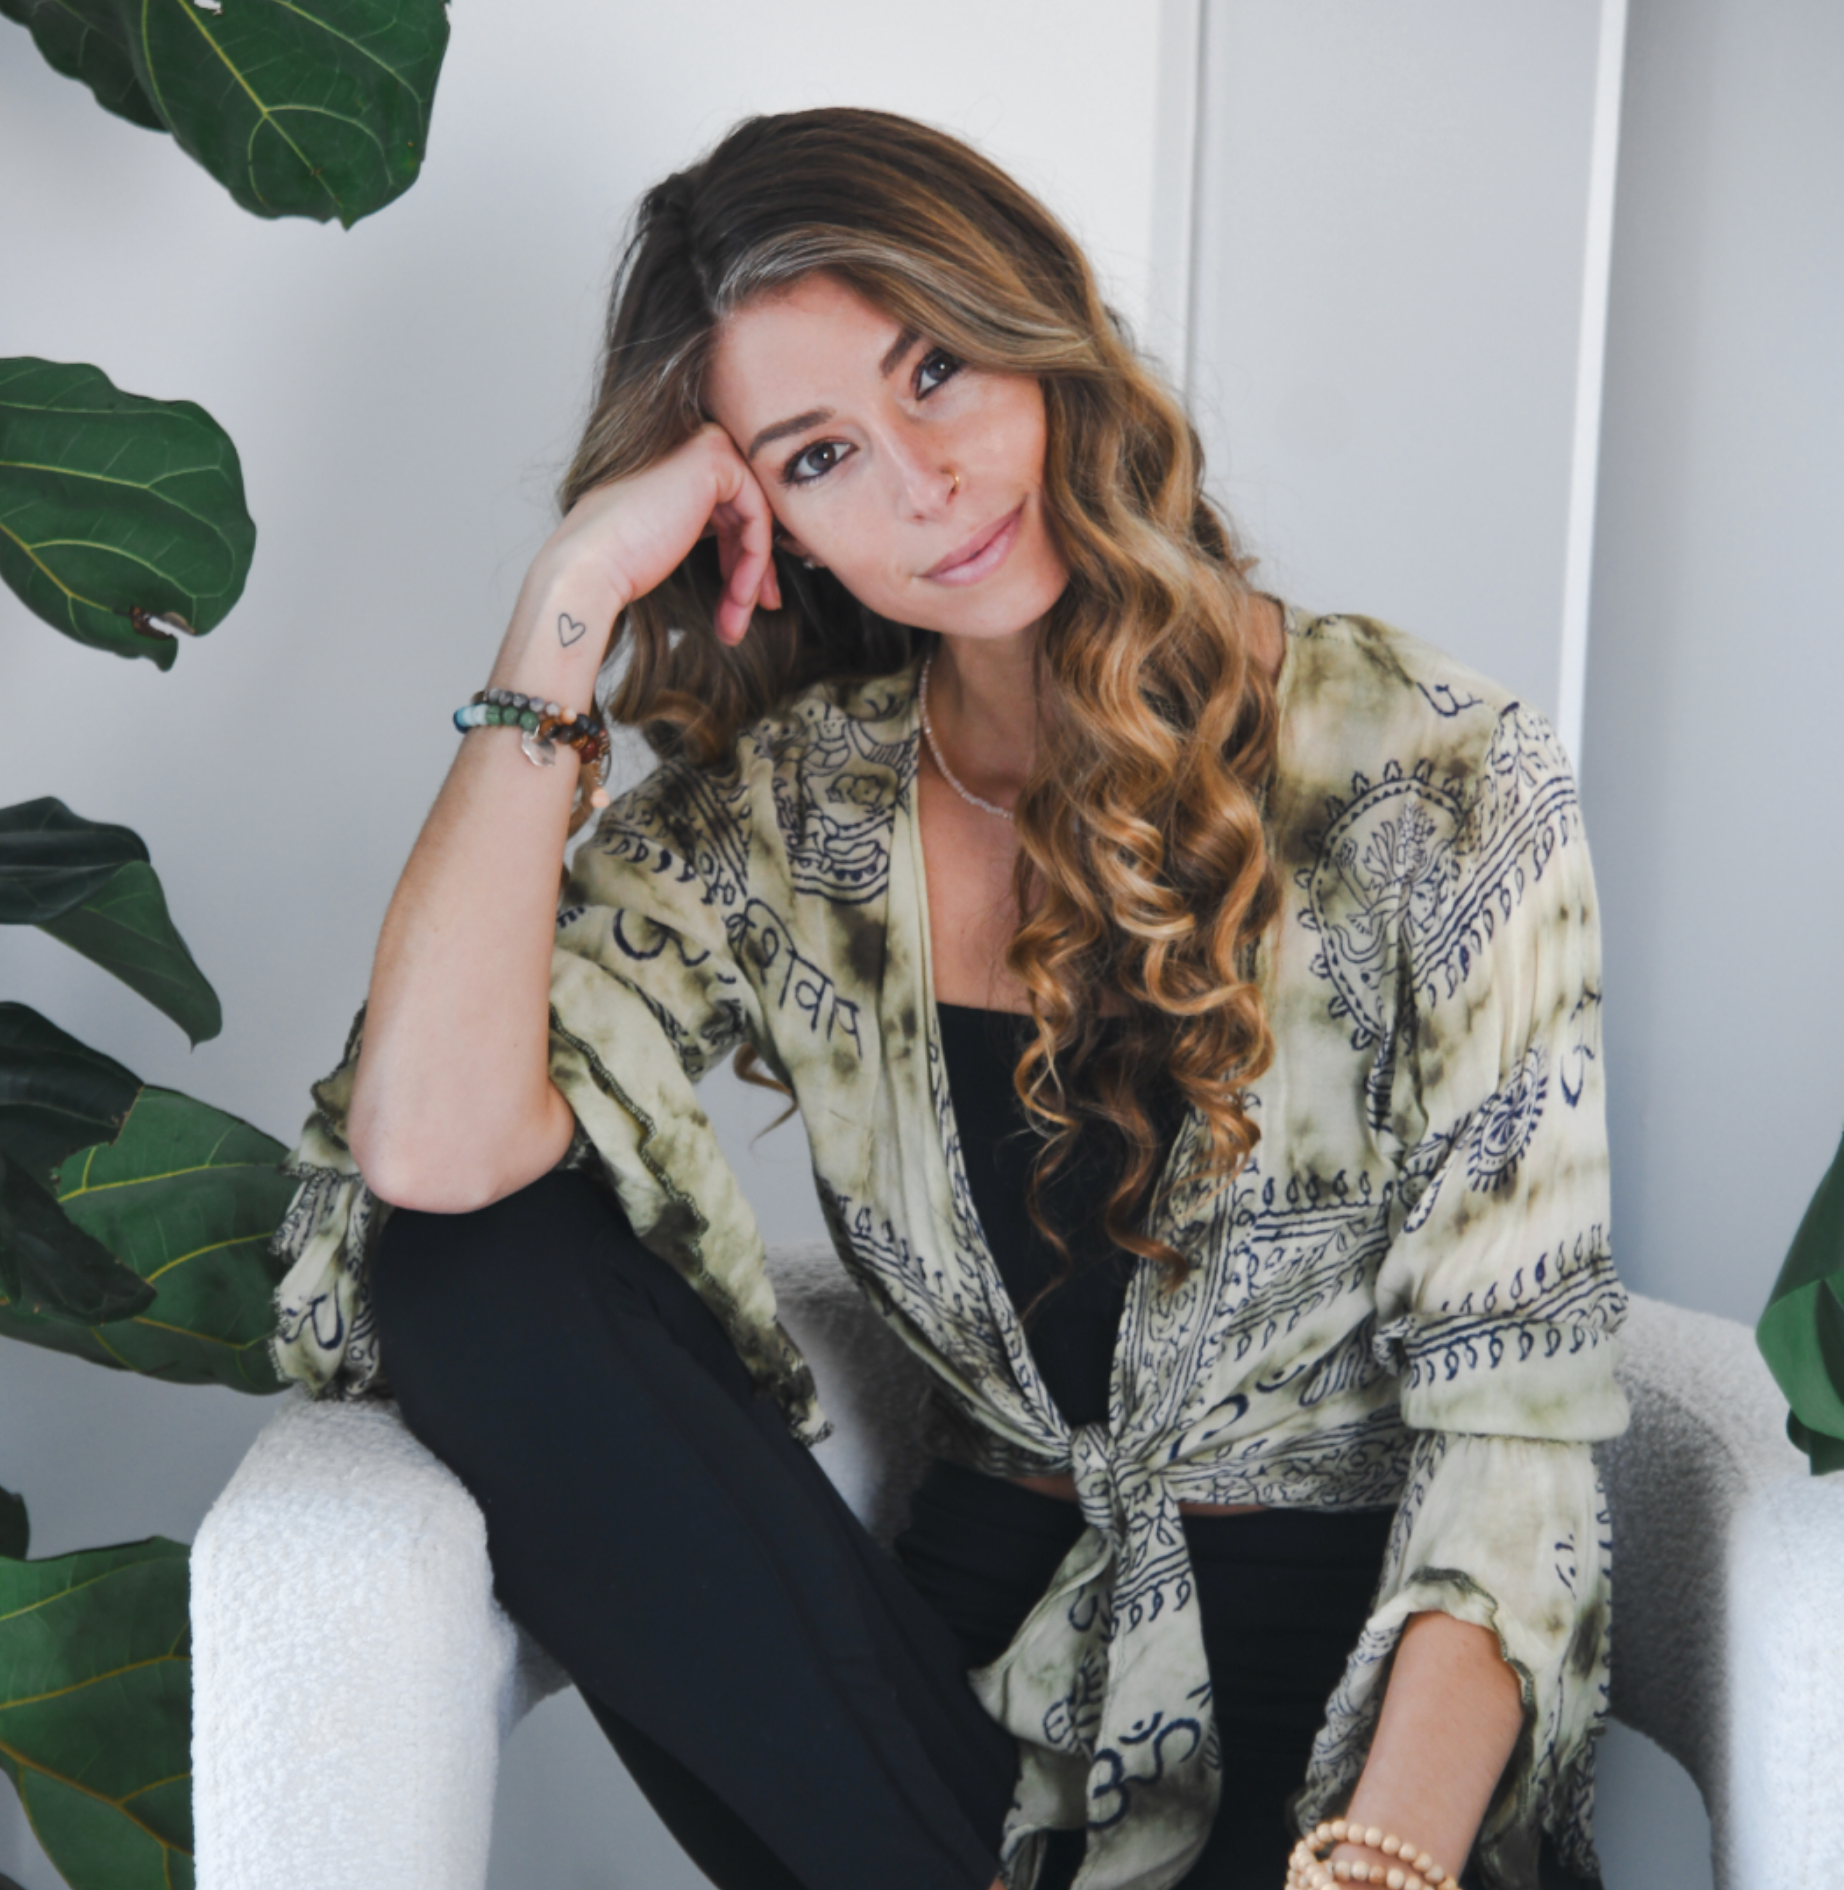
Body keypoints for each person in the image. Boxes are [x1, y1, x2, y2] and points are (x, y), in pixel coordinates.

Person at [268, 108, 1627, 1890]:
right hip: (938, 1747)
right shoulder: (796, 817)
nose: (923, 478)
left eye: (937, 367)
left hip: (1351, 1758)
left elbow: (1510, 1448)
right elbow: (432, 1146)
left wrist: (1384, 1857)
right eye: (819, 454)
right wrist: (568, 603)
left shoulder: (1439, 777)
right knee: (465, 1260)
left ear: (1042, 332)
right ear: (770, 525)